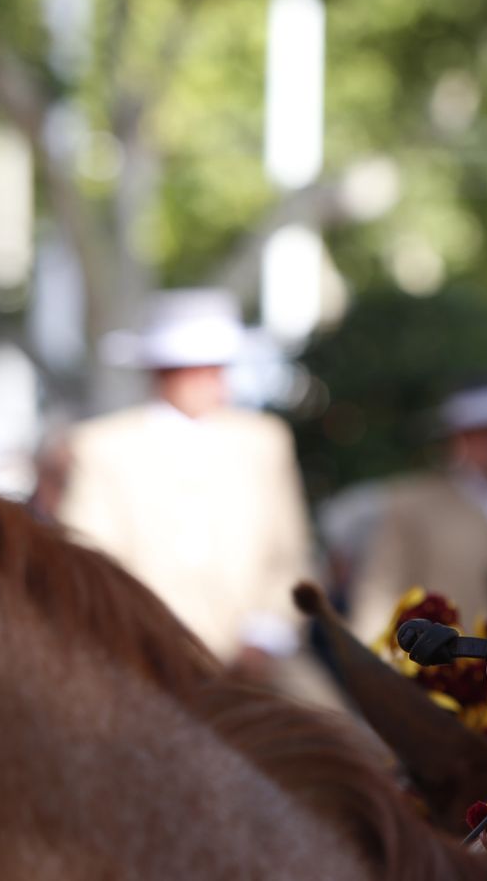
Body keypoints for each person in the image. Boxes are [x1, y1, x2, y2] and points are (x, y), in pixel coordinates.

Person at [57, 289, 320, 690]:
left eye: (216, 367)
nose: (209, 380)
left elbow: (290, 553)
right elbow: (89, 556)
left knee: (349, 740)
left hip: (258, 662)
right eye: (191, 367)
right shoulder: (104, 447)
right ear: (161, 372)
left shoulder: (262, 441)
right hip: (140, 660)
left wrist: (265, 635)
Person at [345, 377, 487, 644]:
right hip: (448, 672)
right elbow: (380, 592)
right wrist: (376, 661)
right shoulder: (413, 505)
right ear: (460, 437)